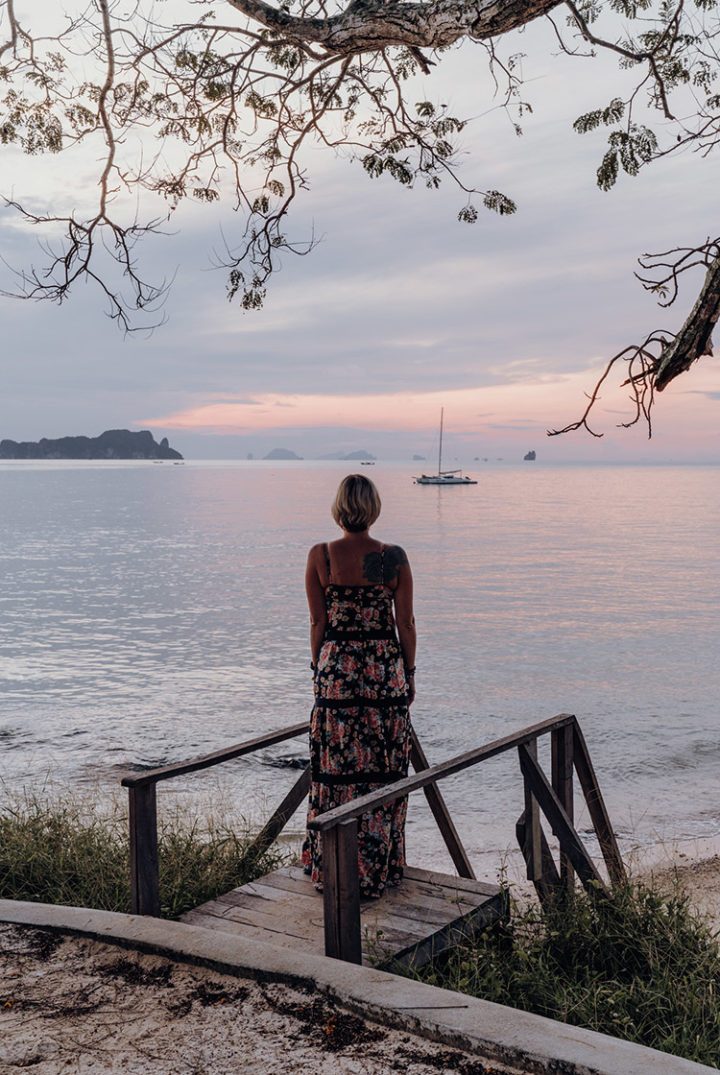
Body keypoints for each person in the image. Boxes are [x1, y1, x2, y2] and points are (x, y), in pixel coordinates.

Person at [301, 473, 416, 899]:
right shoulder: (393, 557)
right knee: (383, 770)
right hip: (384, 672)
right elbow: (405, 623)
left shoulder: (321, 556)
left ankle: (331, 869)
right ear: (374, 507)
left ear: (338, 507)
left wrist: (320, 667)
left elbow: (318, 623)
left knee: (333, 770)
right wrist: (410, 672)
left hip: (337, 674)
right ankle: (379, 869)